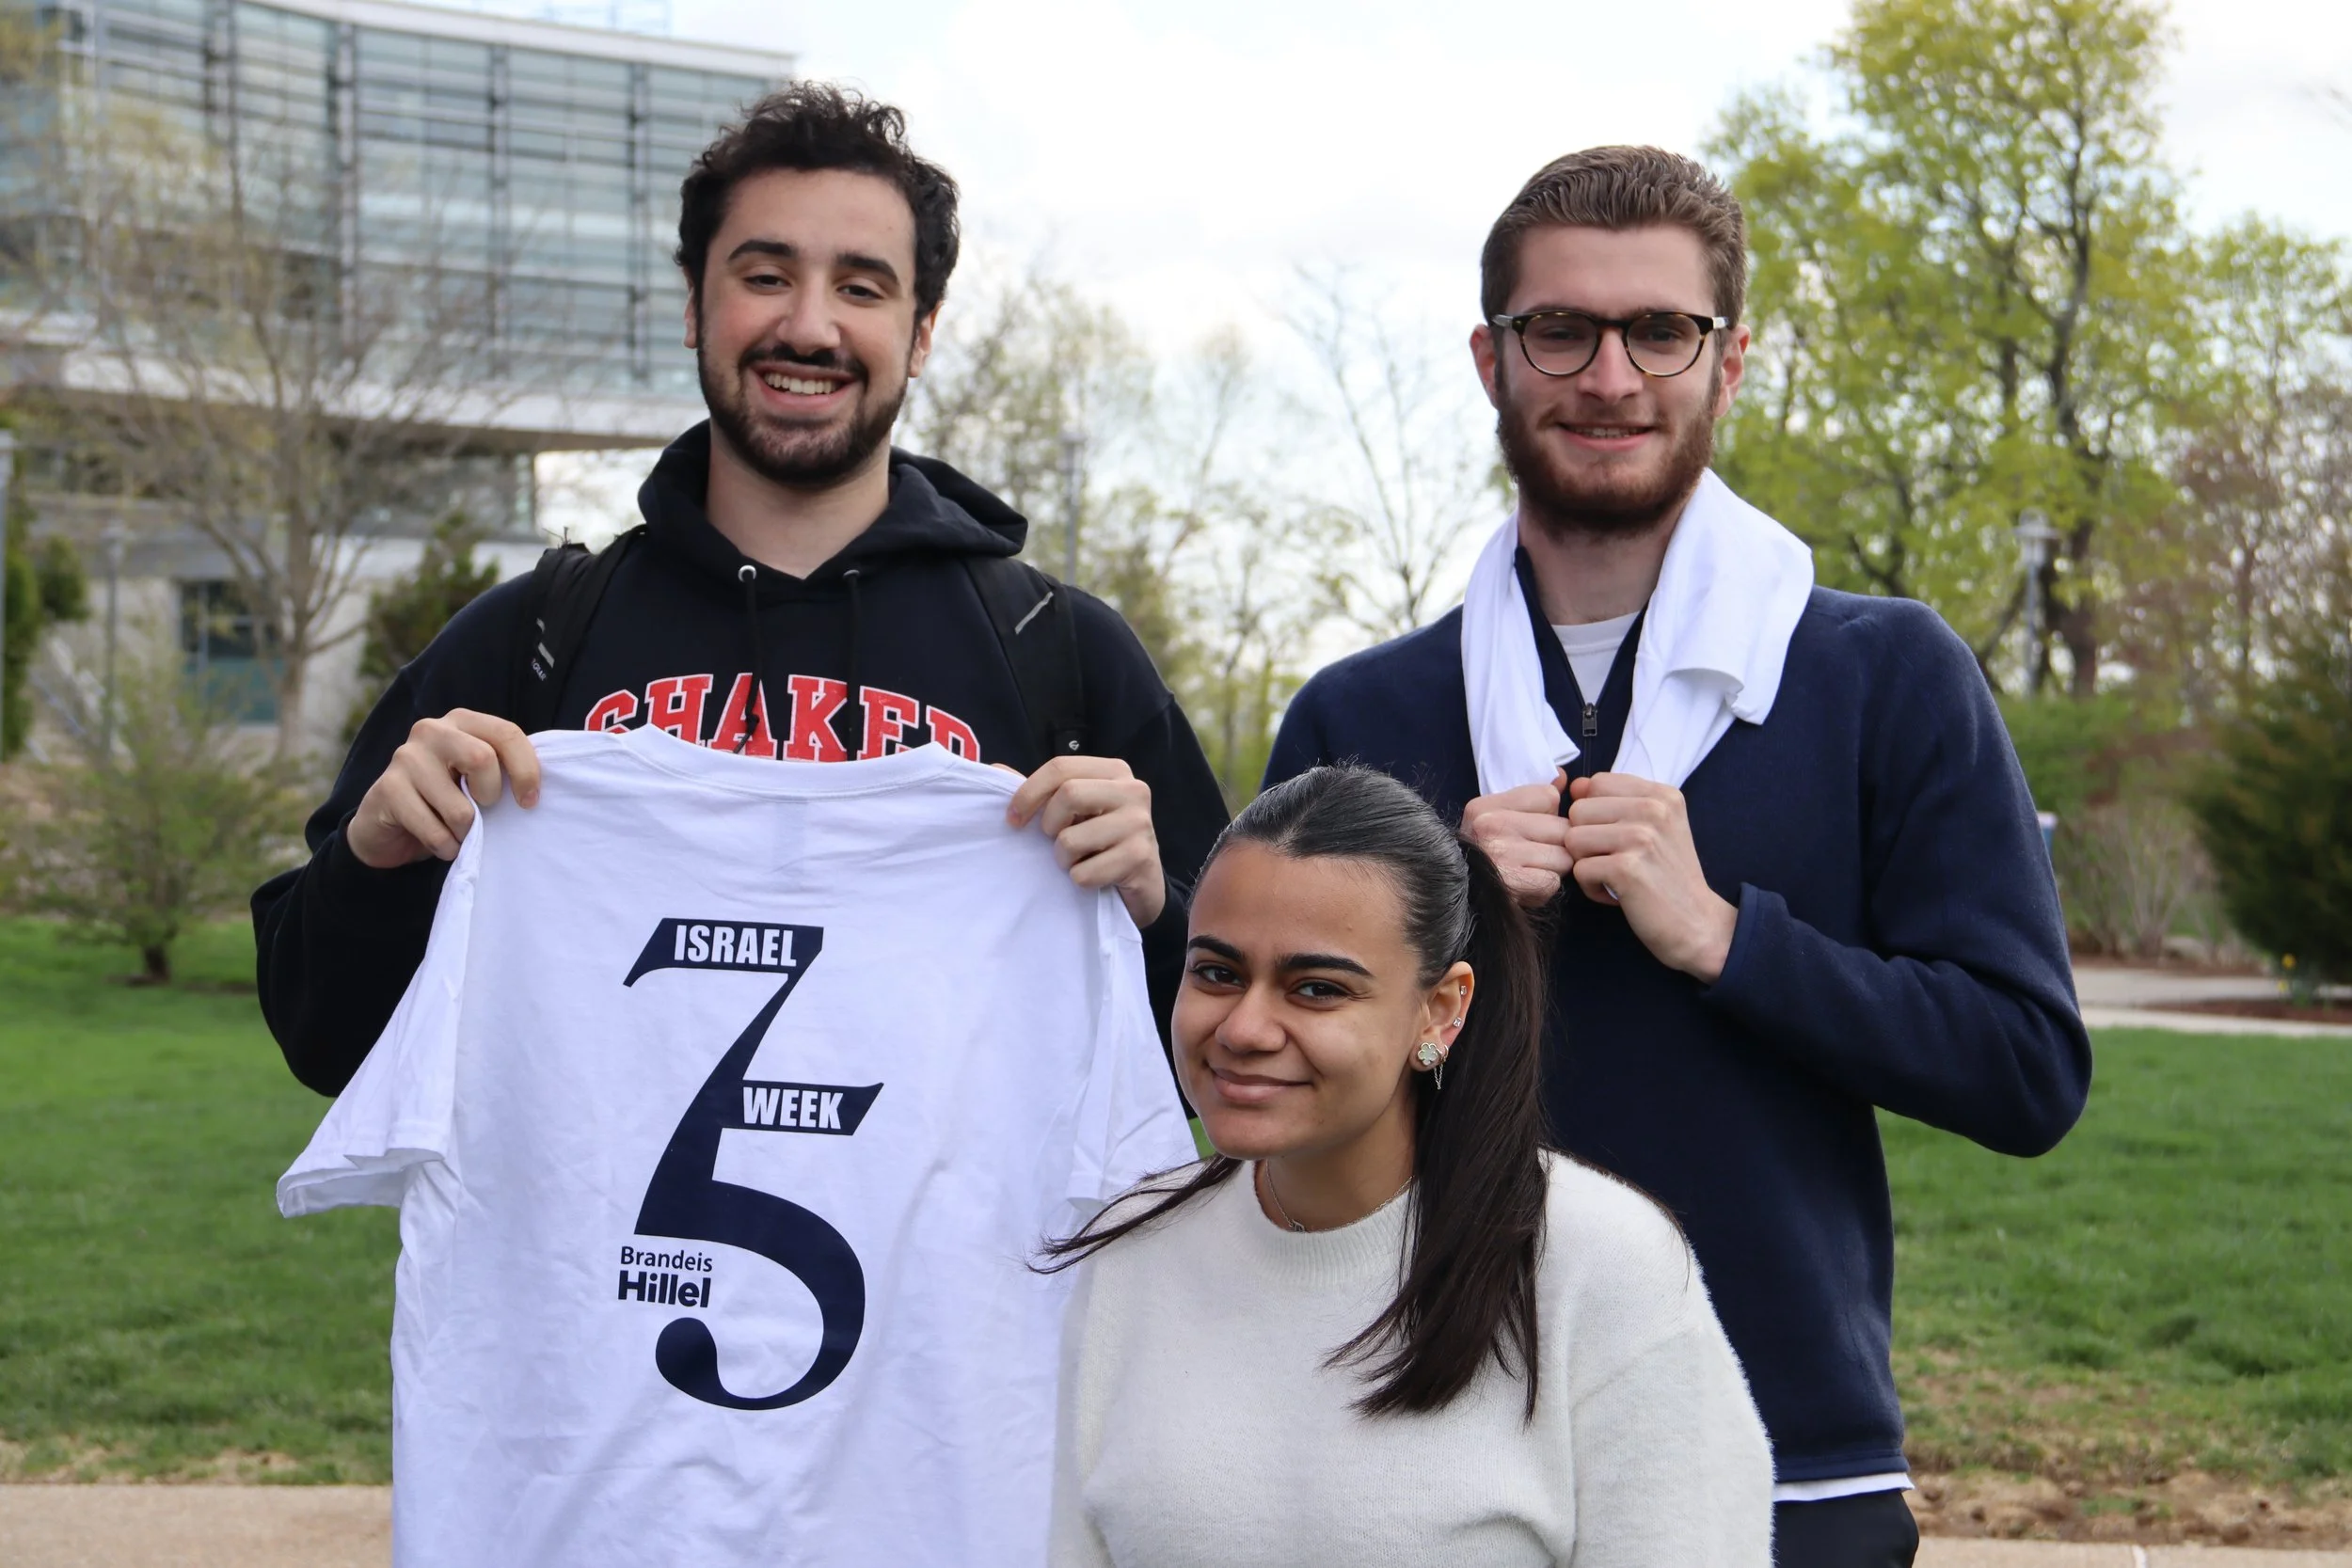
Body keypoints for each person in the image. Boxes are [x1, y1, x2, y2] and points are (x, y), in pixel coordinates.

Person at [1263, 147, 2092, 1568]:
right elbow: (1256, 1087)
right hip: (1415, 1443)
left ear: (1730, 361)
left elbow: (2025, 1070)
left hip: (1779, 1453)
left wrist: (1726, 938)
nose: (1609, 376)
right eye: (1559, 330)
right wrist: (1435, 922)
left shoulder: (1883, 674)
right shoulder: (1364, 714)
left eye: (1661, 330)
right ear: (1491, 359)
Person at [253, 84, 1229, 1091]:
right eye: (765, 276)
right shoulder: (528, 642)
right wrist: (377, 862)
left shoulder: (1062, 657)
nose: (809, 327)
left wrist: (1153, 914)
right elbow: (323, 1040)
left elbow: (1214, 1074)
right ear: (694, 304)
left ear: (921, 333)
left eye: (862, 288)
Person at [1045, 765, 1774, 1568]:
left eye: (1316, 988)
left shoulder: (1601, 1266)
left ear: (1442, 1009)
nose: (1245, 1028)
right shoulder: (1131, 1253)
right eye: (1217, 973)